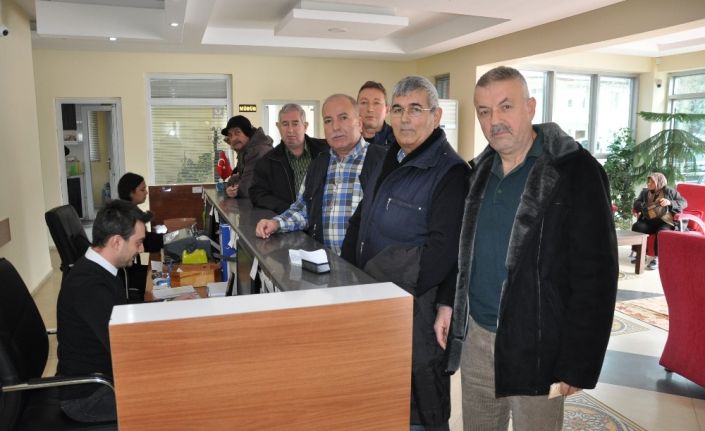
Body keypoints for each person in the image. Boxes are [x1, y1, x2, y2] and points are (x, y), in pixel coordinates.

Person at [445, 66, 618, 431]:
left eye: (506, 106)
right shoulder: (478, 173)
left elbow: (596, 276)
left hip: (539, 346)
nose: (495, 120)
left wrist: (576, 362)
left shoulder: (575, 172)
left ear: (530, 107)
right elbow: (463, 258)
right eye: (484, 111)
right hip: (478, 339)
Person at [342, 76, 469, 431]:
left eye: (415, 109)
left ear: (436, 116)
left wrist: (385, 284)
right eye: (398, 109)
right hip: (377, 303)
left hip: (416, 312)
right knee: (383, 403)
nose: (405, 119)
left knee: (421, 409)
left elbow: (443, 253)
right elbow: (361, 219)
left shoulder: (452, 172)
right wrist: (349, 277)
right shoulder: (388, 158)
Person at [56, 199, 151, 422]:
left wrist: (167, 309)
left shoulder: (101, 270)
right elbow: (125, 346)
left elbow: (122, 316)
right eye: (138, 243)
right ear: (116, 242)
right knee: (172, 400)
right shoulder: (89, 286)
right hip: (89, 395)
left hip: (104, 379)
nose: (141, 249)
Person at [255, 94, 386, 255]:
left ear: (359, 123)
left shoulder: (383, 162)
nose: (335, 127)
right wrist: (276, 223)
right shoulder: (319, 164)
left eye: (343, 118)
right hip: (325, 261)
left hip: (367, 265)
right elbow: (304, 209)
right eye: (328, 120)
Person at [249, 104, 328, 213]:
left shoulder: (326, 150)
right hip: (288, 219)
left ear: (305, 126)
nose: (290, 130)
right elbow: (257, 194)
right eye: (285, 124)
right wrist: (288, 209)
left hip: (324, 217)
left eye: (295, 124)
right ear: (278, 126)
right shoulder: (267, 162)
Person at [117, 172, 164, 301]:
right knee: (160, 278)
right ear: (131, 192)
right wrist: (169, 239)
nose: (146, 192)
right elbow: (148, 243)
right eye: (142, 189)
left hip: (132, 268)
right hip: (128, 274)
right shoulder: (128, 214)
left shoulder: (127, 209)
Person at [631, 172, 686, 269]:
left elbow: (684, 203)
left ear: (659, 182)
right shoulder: (645, 192)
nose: (649, 184)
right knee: (637, 227)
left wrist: (669, 202)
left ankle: (657, 258)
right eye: (648, 182)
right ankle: (640, 254)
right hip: (649, 221)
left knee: (662, 232)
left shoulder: (669, 191)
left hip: (665, 221)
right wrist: (643, 205)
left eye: (652, 182)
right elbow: (636, 203)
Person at [221, 115, 273, 199]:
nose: (233, 139)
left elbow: (247, 189)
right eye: (230, 135)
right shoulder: (245, 150)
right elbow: (242, 178)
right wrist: (231, 188)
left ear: (247, 132)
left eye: (237, 132)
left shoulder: (258, 151)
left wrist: (232, 189)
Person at [358, 80, 396, 148]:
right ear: (356, 109)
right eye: (364, 102)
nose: (370, 109)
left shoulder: (398, 140)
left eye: (376, 103)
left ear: (387, 110)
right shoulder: (345, 138)